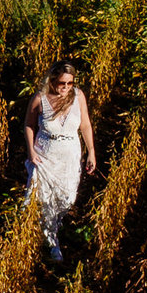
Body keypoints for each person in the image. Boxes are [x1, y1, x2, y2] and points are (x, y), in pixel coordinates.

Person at [25, 59, 97, 262]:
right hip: (45, 156)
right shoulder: (40, 99)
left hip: (70, 155)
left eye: (70, 83)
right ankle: (51, 243)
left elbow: (85, 125)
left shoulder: (78, 96)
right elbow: (29, 125)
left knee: (66, 197)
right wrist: (31, 151)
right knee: (44, 199)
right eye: (61, 83)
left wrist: (91, 151)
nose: (65, 88)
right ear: (53, 80)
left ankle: (52, 226)